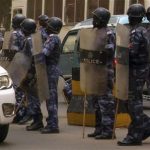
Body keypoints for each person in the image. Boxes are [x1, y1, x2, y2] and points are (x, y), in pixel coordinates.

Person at [117, 4, 150, 146]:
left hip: (136, 71)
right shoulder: (144, 31)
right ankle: (145, 125)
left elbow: (131, 52)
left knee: (133, 104)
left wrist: (119, 55)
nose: (129, 17)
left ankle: (135, 135)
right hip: (140, 70)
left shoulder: (136, 32)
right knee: (132, 103)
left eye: (130, 15)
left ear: (133, 16)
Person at [87, 7, 116, 139]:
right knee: (96, 104)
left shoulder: (109, 33)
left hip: (104, 73)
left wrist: (94, 52)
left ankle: (108, 131)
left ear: (102, 20)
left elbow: (108, 51)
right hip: (94, 72)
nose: (93, 20)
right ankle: (98, 128)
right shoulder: (94, 32)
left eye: (95, 18)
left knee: (105, 103)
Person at [39, 17, 63, 134]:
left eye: (48, 25)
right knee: (50, 98)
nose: (46, 27)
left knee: (51, 99)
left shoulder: (52, 38)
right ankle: (51, 122)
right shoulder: (52, 38)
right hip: (51, 70)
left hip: (51, 71)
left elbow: (44, 53)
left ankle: (53, 125)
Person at [20, 18, 44, 131]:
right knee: (33, 96)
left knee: (32, 97)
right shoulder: (36, 38)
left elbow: (27, 58)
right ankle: (36, 120)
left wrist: (27, 74)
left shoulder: (29, 40)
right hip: (36, 71)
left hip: (31, 72)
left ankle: (37, 121)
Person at [8, 14, 31, 124]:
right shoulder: (27, 33)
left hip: (16, 64)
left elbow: (13, 50)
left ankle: (18, 114)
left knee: (16, 90)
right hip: (25, 64)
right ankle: (23, 113)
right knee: (22, 90)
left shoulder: (15, 34)